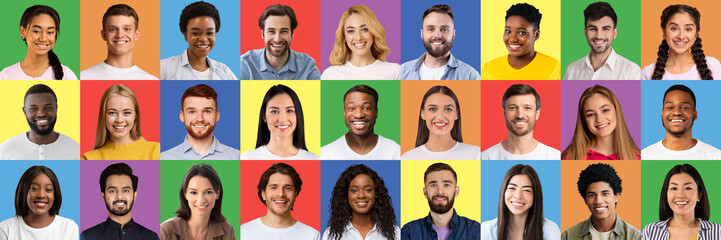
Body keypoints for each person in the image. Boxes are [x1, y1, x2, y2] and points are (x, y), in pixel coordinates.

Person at [561, 163, 641, 240]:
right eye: (592, 195)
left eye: (605, 194)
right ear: (585, 199)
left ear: (616, 196)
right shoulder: (568, 236)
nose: (598, 201)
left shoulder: (635, 236)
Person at [240, 163, 320, 240]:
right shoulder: (243, 233)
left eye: (288, 188)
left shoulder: (312, 235)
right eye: (274, 187)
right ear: (263, 194)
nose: (281, 194)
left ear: (295, 194)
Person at [481, 3, 560, 80]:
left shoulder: (554, 67)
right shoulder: (489, 69)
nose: (512, 39)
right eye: (508, 31)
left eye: (522, 33)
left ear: (536, 35)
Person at [564, 2, 641, 80]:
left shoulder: (631, 71)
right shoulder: (571, 70)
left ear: (614, 33)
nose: (599, 36)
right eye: (593, 29)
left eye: (605, 29)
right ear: (585, 32)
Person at [641, 164, 721, 240]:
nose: (680, 195)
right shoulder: (651, 231)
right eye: (674, 188)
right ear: (666, 195)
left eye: (688, 188)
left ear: (698, 195)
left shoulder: (717, 231)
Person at [401, 163, 480, 240]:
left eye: (447, 185)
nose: (440, 191)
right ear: (425, 192)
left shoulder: (475, 230)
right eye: (433, 185)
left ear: (456, 191)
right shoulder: (409, 231)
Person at [400, 4, 480, 80]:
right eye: (431, 29)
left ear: (453, 34)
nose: (437, 35)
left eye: (444, 29)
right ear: (422, 33)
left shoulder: (470, 76)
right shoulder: (401, 73)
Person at [481, 164, 560, 240]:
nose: (518, 196)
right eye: (512, 188)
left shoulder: (550, 229)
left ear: (535, 195)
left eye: (526, 190)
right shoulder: (487, 230)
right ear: (503, 191)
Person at [240, 4, 320, 80]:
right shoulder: (245, 64)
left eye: (284, 31)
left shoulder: (308, 66)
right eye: (271, 31)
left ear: (292, 34)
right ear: (262, 34)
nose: (277, 39)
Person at [641, 4, 721, 80]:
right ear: (664, 32)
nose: (681, 36)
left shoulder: (712, 66)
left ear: (696, 34)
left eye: (688, 29)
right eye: (674, 28)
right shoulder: (647, 72)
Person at [81, 84, 160, 160]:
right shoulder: (88, 158)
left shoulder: (157, 151)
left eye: (127, 113)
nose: (119, 120)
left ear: (135, 115)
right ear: (103, 116)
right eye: (112, 113)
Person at [0, 84, 79, 160]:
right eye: (34, 109)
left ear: (56, 108)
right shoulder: (5, 150)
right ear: (24, 111)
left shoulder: (76, 150)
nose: (41, 114)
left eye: (48, 108)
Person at [321, 5, 400, 80]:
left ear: (373, 32)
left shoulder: (394, 72)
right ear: (344, 37)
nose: (358, 37)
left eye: (364, 29)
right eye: (351, 31)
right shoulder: (331, 75)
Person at [642, 84, 721, 160]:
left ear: (695, 114)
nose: (676, 112)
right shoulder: (644, 156)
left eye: (685, 108)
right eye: (670, 107)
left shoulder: (716, 156)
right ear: (662, 114)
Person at [481, 84, 560, 160]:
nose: (520, 115)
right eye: (512, 108)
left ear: (537, 113)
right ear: (504, 113)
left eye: (527, 108)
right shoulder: (486, 157)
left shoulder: (554, 156)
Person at [321, 85, 400, 160]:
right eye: (351, 108)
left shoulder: (394, 151)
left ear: (376, 112)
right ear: (344, 112)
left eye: (366, 108)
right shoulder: (326, 154)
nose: (359, 115)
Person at [161, 1, 237, 80]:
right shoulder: (164, 68)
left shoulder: (224, 71)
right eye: (196, 33)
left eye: (209, 33)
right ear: (186, 35)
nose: (203, 39)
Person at [162, 84, 240, 160]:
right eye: (192, 112)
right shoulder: (164, 158)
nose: (200, 119)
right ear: (182, 116)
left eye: (206, 111)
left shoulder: (237, 157)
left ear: (217, 115)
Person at [80, 4, 158, 80]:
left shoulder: (152, 81)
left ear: (136, 35)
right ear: (104, 35)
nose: (120, 35)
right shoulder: (82, 78)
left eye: (127, 29)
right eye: (113, 29)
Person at [240, 84, 319, 160]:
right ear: (264, 116)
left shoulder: (314, 159)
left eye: (289, 111)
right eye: (274, 111)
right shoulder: (248, 158)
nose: (282, 119)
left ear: (298, 115)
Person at [401, 85, 480, 160]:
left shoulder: (475, 154)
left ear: (456, 114)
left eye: (448, 109)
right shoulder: (408, 158)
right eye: (432, 109)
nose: (440, 117)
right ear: (423, 113)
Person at [82, 163, 158, 239]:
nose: (119, 196)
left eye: (125, 191)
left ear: (134, 196)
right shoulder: (86, 237)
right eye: (112, 191)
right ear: (103, 196)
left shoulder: (151, 237)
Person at [562, 85, 640, 160]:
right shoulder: (570, 158)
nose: (599, 119)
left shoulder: (638, 158)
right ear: (584, 120)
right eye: (591, 114)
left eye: (605, 110)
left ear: (617, 111)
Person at [322, 164, 399, 240]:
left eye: (368, 190)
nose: (361, 195)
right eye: (354, 190)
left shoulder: (396, 233)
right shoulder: (330, 235)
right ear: (346, 194)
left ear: (376, 194)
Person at [0, 166, 79, 239]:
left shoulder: (69, 228)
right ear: (24, 192)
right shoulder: (6, 229)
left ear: (55, 195)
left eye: (48, 189)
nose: (41, 195)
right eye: (34, 188)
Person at [0, 5, 76, 80]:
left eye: (50, 32)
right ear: (23, 31)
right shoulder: (6, 75)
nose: (43, 39)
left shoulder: (67, 75)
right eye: (36, 31)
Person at [161, 164, 236, 240]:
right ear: (185, 194)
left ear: (217, 194)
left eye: (208, 192)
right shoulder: (165, 230)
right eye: (193, 192)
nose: (201, 200)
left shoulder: (227, 231)